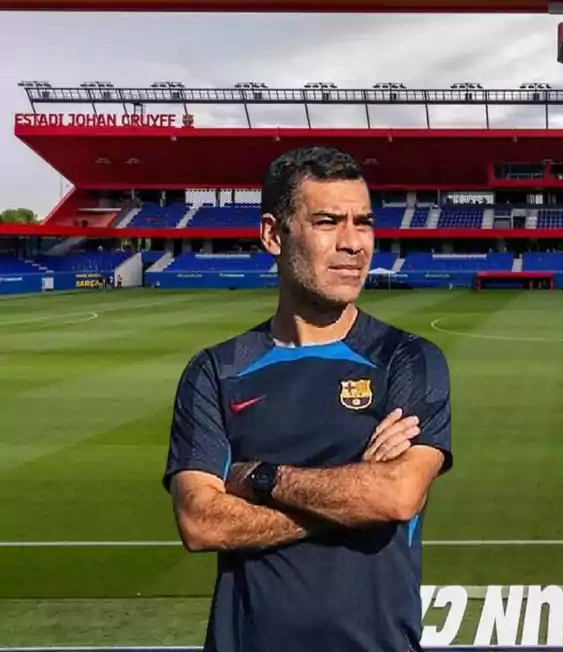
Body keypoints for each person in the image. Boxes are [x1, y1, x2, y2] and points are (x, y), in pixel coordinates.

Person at [163, 146, 453, 652]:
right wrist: (353, 494)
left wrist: (261, 478)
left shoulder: (407, 359)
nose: (353, 243)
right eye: (327, 221)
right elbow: (201, 522)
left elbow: (397, 494)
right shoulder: (217, 370)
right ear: (274, 235)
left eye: (362, 222)